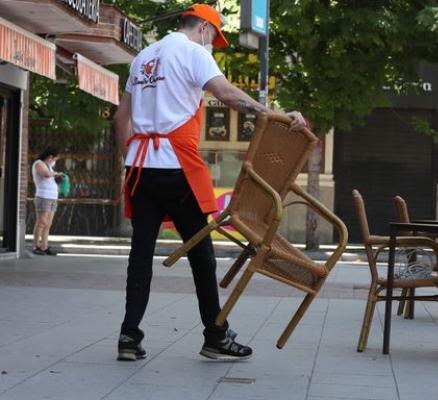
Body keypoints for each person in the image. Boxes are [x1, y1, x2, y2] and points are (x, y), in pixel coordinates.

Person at [112, 4, 307, 362]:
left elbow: (121, 118)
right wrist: (279, 116)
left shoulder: (142, 58)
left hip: (140, 169)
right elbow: (230, 96)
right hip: (177, 169)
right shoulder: (191, 52)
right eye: (213, 39)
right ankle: (215, 335)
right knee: (202, 255)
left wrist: (131, 158)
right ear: (203, 28)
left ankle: (129, 336)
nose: (213, 46)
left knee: (140, 256)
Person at [31, 147, 63, 256]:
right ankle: (36, 246)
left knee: (48, 224)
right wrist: (55, 173)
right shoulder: (38, 163)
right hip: (43, 197)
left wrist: (58, 176)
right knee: (41, 222)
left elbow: (51, 177)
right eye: (55, 158)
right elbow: (46, 174)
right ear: (50, 156)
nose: (54, 161)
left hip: (53, 197)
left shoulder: (50, 166)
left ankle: (44, 247)